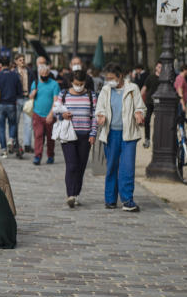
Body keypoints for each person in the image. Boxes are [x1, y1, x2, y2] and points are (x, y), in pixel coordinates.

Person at [95, 63, 146, 212]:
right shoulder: (105, 90)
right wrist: (101, 116)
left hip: (128, 134)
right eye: (107, 78)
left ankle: (127, 200)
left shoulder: (133, 89)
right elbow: (99, 108)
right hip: (111, 134)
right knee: (112, 166)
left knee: (127, 167)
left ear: (120, 76)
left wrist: (139, 113)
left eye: (111, 78)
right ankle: (110, 199)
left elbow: (141, 107)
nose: (109, 81)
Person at [54, 69, 97, 208]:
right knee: (72, 165)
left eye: (82, 83)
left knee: (81, 167)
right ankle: (70, 195)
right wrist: (62, 115)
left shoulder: (91, 95)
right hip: (68, 135)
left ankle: (76, 193)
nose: (79, 86)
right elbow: (56, 111)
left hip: (85, 136)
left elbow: (95, 115)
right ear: (71, 82)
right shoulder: (63, 94)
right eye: (77, 83)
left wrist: (93, 134)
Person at [29, 62, 61, 165]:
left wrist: (51, 114)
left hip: (49, 114)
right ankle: (37, 156)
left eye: (46, 74)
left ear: (48, 73)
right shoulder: (36, 83)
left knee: (50, 137)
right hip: (37, 114)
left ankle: (50, 155)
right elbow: (30, 97)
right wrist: (32, 94)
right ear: (39, 73)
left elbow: (56, 100)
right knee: (38, 135)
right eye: (42, 74)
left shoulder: (54, 84)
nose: (44, 76)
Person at [0, 56, 23, 157]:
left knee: (1, 127)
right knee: (13, 124)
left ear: (0, 65)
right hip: (11, 103)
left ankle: (4, 150)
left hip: (0, 104)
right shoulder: (15, 75)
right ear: (10, 64)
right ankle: (11, 139)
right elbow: (20, 91)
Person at [14, 53, 34, 154]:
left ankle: (27, 144)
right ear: (16, 61)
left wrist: (33, 92)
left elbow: (34, 83)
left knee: (28, 122)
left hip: (27, 98)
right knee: (15, 122)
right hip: (17, 98)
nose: (22, 62)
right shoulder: (13, 72)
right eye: (20, 60)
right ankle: (15, 143)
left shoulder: (29, 72)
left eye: (23, 60)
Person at [140, 62, 162, 148]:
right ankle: (147, 139)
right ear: (156, 68)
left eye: (162, 67)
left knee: (159, 122)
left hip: (159, 103)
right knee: (147, 120)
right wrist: (139, 99)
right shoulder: (150, 77)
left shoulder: (164, 79)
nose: (161, 68)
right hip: (149, 102)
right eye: (159, 67)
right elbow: (144, 88)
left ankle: (157, 139)